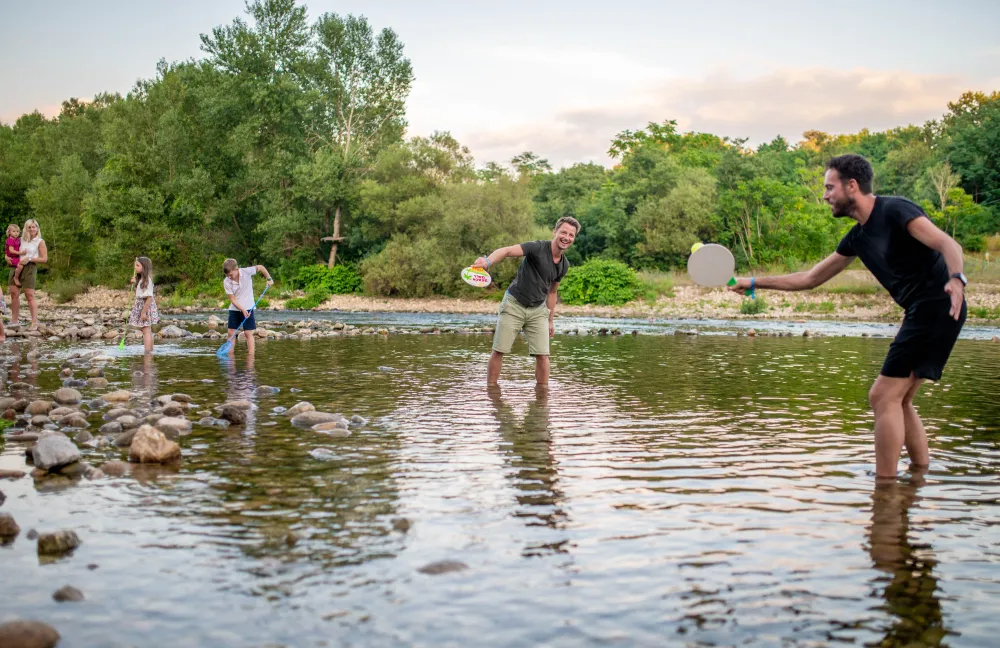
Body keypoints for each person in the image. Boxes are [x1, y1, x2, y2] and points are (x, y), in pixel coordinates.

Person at [728, 154, 967, 479]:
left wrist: (956, 279)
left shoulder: (896, 210)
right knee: (900, 399)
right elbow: (809, 279)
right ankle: (918, 476)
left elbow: (947, 243)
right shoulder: (857, 237)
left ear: (851, 186)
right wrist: (754, 282)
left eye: (829, 187)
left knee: (882, 396)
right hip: (925, 311)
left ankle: (884, 487)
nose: (825, 195)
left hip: (938, 304)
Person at [472, 217, 580, 386]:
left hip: (538, 311)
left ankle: (542, 400)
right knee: (499, 350)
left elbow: (552, 292)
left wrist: (550, 320)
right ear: (555, 232)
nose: (566, 237)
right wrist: (487, 261)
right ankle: (491, 392)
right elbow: (507, 251)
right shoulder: (537, 247)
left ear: (574, 238)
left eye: (571, 235)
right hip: (514, 304)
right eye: (563, 232)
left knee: (543, 355)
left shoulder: (564, 265)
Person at [222, 258, 273, 356]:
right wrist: (242, 309)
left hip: (248, 307)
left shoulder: (246, 271)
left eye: (230, 274)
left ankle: (251, 357)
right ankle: (230, 356)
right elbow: (232, 299)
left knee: (248, 333)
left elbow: (261, 267)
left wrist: (269, 279)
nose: (229, 277)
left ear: (236, 269)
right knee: (231, 332)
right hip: (235, 308)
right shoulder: (226, 282)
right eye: (227, 275)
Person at [8, 219, 47, 331]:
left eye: (33, 227)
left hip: (30, 267)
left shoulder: (40, 241)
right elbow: (10, 251)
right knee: (14, 294)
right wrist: (7, 257)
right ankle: (14, 321)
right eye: (29, 227)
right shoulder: (20, 240)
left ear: (37, 228)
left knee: (29, 295)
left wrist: (29, 258)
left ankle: (34, 321)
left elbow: (44, 259)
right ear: (25, 228)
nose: (31, 229)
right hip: (15, 266)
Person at [128, 256, 159, 354]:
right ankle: (150, 350)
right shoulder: (142, 280)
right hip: (142, 306)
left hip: (145, 307)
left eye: (137, 265)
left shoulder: (147, 280)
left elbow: (149, 298)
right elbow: (140, 293)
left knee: (146, 330)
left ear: (144, 267)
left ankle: (147, 352)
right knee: (147, 330)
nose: (135, 267)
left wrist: (143, 312)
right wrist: (135, 284)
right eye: (135, 265)